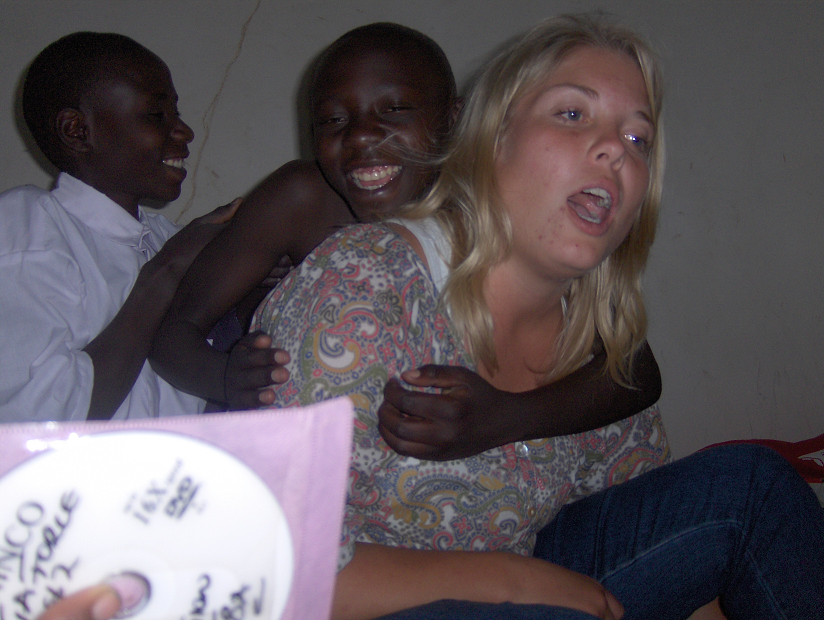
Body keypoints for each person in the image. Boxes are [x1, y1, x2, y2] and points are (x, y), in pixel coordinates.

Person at [252, 14, 824, 620]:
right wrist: (512, 580)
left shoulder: (592, 343)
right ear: (491, 138)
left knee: (749, 488)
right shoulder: (363, 285)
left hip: (526, 588)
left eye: (638, 140)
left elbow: (670, 549)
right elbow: (261, 558)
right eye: (572, 114)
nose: (616, 149)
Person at [151, 22, 663, 460]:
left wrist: (510, 416)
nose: (360, 136)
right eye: (332, 120)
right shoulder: (301, 199)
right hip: (259, 425)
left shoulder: (488, 213)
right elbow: (174, 333)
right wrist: (226, 377)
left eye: (395, 110)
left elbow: (633, 366)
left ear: (456, 120)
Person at [0, 32, 238, 422]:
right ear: (77, 130)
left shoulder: (167, 238)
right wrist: (166, 272)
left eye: (176, 113)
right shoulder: (29, 227)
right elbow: (45, 424)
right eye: (157, 115)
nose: (184, 131)